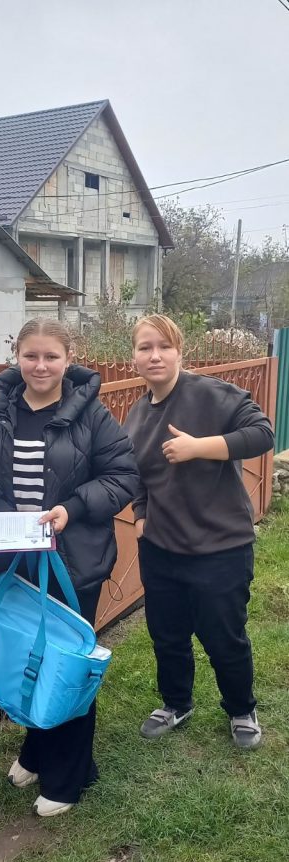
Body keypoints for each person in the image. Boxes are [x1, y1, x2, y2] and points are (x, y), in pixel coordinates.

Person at [0, 318, 139, 816]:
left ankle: (70, 775)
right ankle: (36, 752)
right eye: (30, 355)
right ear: (17, 356)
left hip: (72, 561)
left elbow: (123, 475)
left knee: (65, 663)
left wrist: (71, 509)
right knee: (25, 654)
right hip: (13, 558)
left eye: (51, 356)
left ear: (68, 358)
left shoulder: (91, 414)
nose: (40, 366)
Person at [125, 314, 274, 750]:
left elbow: (262, 433)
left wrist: (199, 448)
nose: (155, 355)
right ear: (132, 357)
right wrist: (140, 516)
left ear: (179, 351)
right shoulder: (136, 414)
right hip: (162, 548)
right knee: (167, 634)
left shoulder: (210, 395)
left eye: (164, 347)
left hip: (220, 547)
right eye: (145, 347)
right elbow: (137, 476)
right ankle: (177, 702)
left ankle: (241, 708)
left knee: (223, 636)